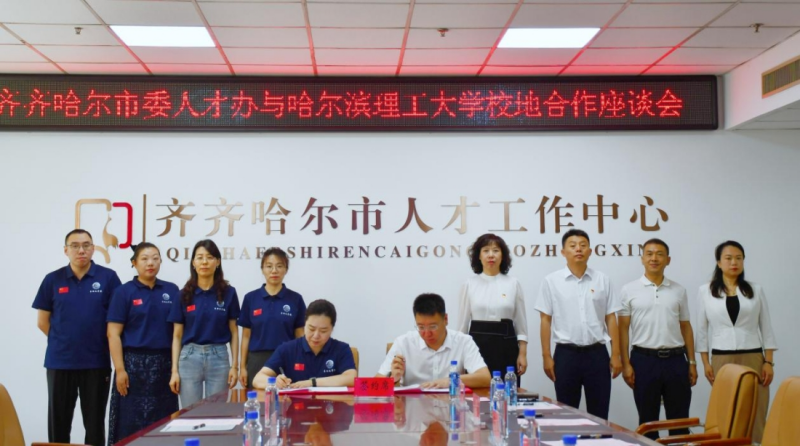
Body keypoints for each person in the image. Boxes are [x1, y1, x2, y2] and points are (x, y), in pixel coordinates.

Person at [32, 229, 121, 446]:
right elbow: (42, 322)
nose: (81, 250)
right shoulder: (52, 279)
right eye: (75, 246)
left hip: (96, 363)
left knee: (95, 425)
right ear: (66, 250)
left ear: (93, 248)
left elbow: (117, 321)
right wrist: (64, 340)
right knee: (59, 424)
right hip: (60, 363)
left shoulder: (108, 278)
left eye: (86, 245)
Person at [534, 228, 622, 420]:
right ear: (563, 252)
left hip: (597, 355)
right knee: (566, 414)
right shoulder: (551, 281)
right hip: (566, 355)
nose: (578, 249)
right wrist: (546, 355)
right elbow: (545, 320)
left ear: (590, 251)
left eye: (583, 245)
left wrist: (616, 354)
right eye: (572, 246)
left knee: (599, 414)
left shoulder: (602, 280)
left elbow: (611, 318)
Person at [696, 240, 777, 444]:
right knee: (727, 407)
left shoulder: (755, 290)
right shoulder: (705, 291)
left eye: (739, 258)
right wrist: (705, 363)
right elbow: (702, 331)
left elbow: (766, 327)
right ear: (719, 262)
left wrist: (768, 361)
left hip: (753, 356)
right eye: (729, 258)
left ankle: (756, 442)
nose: (734, 262)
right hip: (722, 358)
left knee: (756, 406)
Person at [618, 239, 697, 440]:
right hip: (643, 361)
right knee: (648, 422)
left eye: (660, 254)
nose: (654, 258)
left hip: (676, 360)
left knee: (679, 421)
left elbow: (686, 327)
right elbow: (623, 329)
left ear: (668, 260)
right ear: (642, 258)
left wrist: (692, 362)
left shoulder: (679, 290)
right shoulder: (629, 289)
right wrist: (626, 363)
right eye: (650, 253)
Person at [105, 243, 180, 445]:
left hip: (163, 367)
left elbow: (178, 333)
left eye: (155, 258)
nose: (150, 263)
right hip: (133, 367)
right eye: (145, 259)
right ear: (134, 263)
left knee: (164, 424)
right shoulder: (123, 292)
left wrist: (175, 369)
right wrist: (120, 370)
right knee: (129, 424)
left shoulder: (172, 290)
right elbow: (113, 334)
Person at [168, 239, 240, 407]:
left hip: (219, 357)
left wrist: (234, 366)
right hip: (189, 357)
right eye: (199, 257)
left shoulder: (229, 293)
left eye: (209, 257)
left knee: (216, 413)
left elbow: (234, 332)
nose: (204, 262)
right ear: (193, 263)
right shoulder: (183, 294)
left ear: (218, 262)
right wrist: (174, 371)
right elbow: (177, 336)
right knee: (190, 413)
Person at [378, 293, 491, 389]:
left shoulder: (463, 342)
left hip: (450, 405)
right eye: (421, 327)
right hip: (412, 407)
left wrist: (450, 381)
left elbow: (485, 378)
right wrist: (393, 379)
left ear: (445, 319)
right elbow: (376, 383)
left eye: (433, 327)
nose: (427, 333)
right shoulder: (403, 343)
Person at [456, 233, 527, 382]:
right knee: (478, 393)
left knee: (507, 391)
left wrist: (522, 354)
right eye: (486, 250)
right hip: (477, 349)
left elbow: (521, 324)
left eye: (496, 250)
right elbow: (462, 326)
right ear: (479, 256)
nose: (491, 255)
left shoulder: (513, 283)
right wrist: (460, 358)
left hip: (507, 348)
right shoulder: (469, 284)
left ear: (503, 256)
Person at [238, 247, 305, 389]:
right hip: (257, 360)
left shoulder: (295, 299)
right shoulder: (251, 298)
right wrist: (242, 367)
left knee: (287, 399)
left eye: (279, 266)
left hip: (286, 359)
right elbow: (246, 336)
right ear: (262, 269)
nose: (274, 271)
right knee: (258, 400)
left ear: (286, 270)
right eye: (269, 266)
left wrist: (302, 362)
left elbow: (300, 336)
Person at [252, 299, 356, 389]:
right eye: (311, 329)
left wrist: (312, 383)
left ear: (332, 329)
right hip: (295, 405)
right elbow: (258, 379)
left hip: (331, 405)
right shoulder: (287, 349)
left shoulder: (341, 349)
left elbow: (352, 378)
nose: (316, 335)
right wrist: (276, 382)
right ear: (304, 324)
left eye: (323, 331)